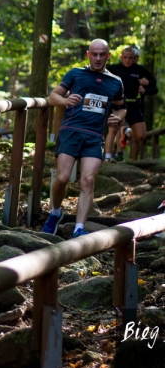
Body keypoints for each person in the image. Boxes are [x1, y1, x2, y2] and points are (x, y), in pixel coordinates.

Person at [43, 39, 126, 238]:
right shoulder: (75, 73)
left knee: (88, 180)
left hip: (94, 136)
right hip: (71, 130)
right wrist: (65, 100)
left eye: (102, 54)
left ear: (108, 56)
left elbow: (121, 108)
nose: (98, 58)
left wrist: (118, 117)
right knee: (62, 178)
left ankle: (79, 228)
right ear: (88, 55)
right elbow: (53, 97)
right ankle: (55, 212)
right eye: (94, 54)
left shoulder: (115, 82)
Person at [105, 46, 157, 161]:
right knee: (114, 128)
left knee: (141, 136)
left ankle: (127, 132)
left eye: (130, 58)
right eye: (125, 57)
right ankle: (110, 157)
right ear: (121, 57)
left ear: (134, 58)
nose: (127, 60)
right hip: (118, 104)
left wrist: (146, 86)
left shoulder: (139, 70)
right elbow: (100, 78)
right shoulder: (114, 68)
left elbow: (154, 86)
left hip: (134, 104)